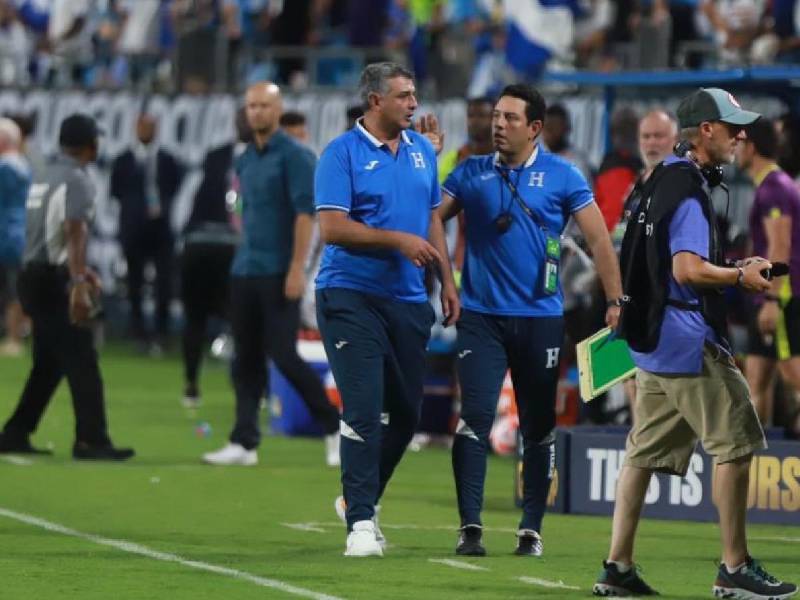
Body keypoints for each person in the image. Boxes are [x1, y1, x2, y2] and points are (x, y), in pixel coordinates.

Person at [594, 88, 797, 599]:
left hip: (653, 338)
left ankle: (616, 566)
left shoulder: (658, 177)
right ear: (706, 130)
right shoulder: (688, 188)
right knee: (737, 442)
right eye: (731, 126)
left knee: (641, 451)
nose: (740, 135)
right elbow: (686, 268)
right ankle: (734, 566)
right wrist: (738, 276)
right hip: (686, 338)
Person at [438, 84, 623, 557]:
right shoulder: (470, 172)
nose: (498, 124)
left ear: (535, 127)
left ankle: (531, 529)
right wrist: (446, 279)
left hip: (540, 318)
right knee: (474, 418)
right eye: (496, 116)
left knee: (537, 427)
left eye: (510, 118)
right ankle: (470, 527)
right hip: (480, 316)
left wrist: (616, 299)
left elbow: (600, 241)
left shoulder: (564, 176)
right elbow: (431, 217)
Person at [314, 62, 459, 557]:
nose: (414, 104)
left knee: (406, 413)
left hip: (407, 299)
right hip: (350, 295)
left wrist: (447, 279)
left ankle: (360, 499)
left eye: (414, 94)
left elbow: (431, 215)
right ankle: (360, 523)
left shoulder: (422, 150)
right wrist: (396, 240)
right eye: (403, 96)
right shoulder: (341, 154)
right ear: (375, 101)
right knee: (363, 408)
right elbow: (332, 229)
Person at [202, 82, 341, 467]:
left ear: (277, 110)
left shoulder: (296, 156)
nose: (256, 112)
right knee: (244, 358)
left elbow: (304, 215)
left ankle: (333, 426)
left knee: (283, 354)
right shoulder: (246, 159)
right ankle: (244, 442)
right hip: (245, 267)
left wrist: (297, 268)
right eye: (251, 106)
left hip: (280, 270)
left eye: (264, 105)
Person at [0, 114, 134, 460]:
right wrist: (76, 280)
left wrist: (78, 270)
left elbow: (49, 235)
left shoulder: (43, 173)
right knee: (82, 357)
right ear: (91, 144)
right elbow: (75, 229)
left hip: (31, 273)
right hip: (51, 278)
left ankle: (15, 432)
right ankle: (91, 439)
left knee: (49, 363)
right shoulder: (78, 179)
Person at [179, 107, 249, 408]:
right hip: (212, 244)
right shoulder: (221, 156)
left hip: (223, 244)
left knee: (236, 318)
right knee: (201, 315)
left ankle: (241, 388)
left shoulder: (228, 156)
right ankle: (193, 382)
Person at [739, 117, 800, 438]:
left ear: (751, 147)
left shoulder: (774, 188)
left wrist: (774, 299)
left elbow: (781, 245)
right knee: (757, 376)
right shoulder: (769, 185)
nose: (734, 149)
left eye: (739, 143)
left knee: (792, 372)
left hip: (782, 294)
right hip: (764, 295)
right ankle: (755, 452)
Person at [110, 113, 184, 354]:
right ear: (135, 128)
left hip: (161, 229)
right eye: (142, 126)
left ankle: (162, 332)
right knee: (134, 282)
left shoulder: (167, 160)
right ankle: (137, 331)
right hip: (133, 230)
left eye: (150, 126)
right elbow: (116, 192)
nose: (145, 131)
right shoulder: (123, 160)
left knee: (164, 282)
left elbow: (174, 187)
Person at [0, 117, 31, 357]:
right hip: (19, 234)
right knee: (15, 288)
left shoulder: (6, 169)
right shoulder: (24, 167)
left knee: (12, 289)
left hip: (6, 235)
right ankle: (15, 336)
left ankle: (12, 338)